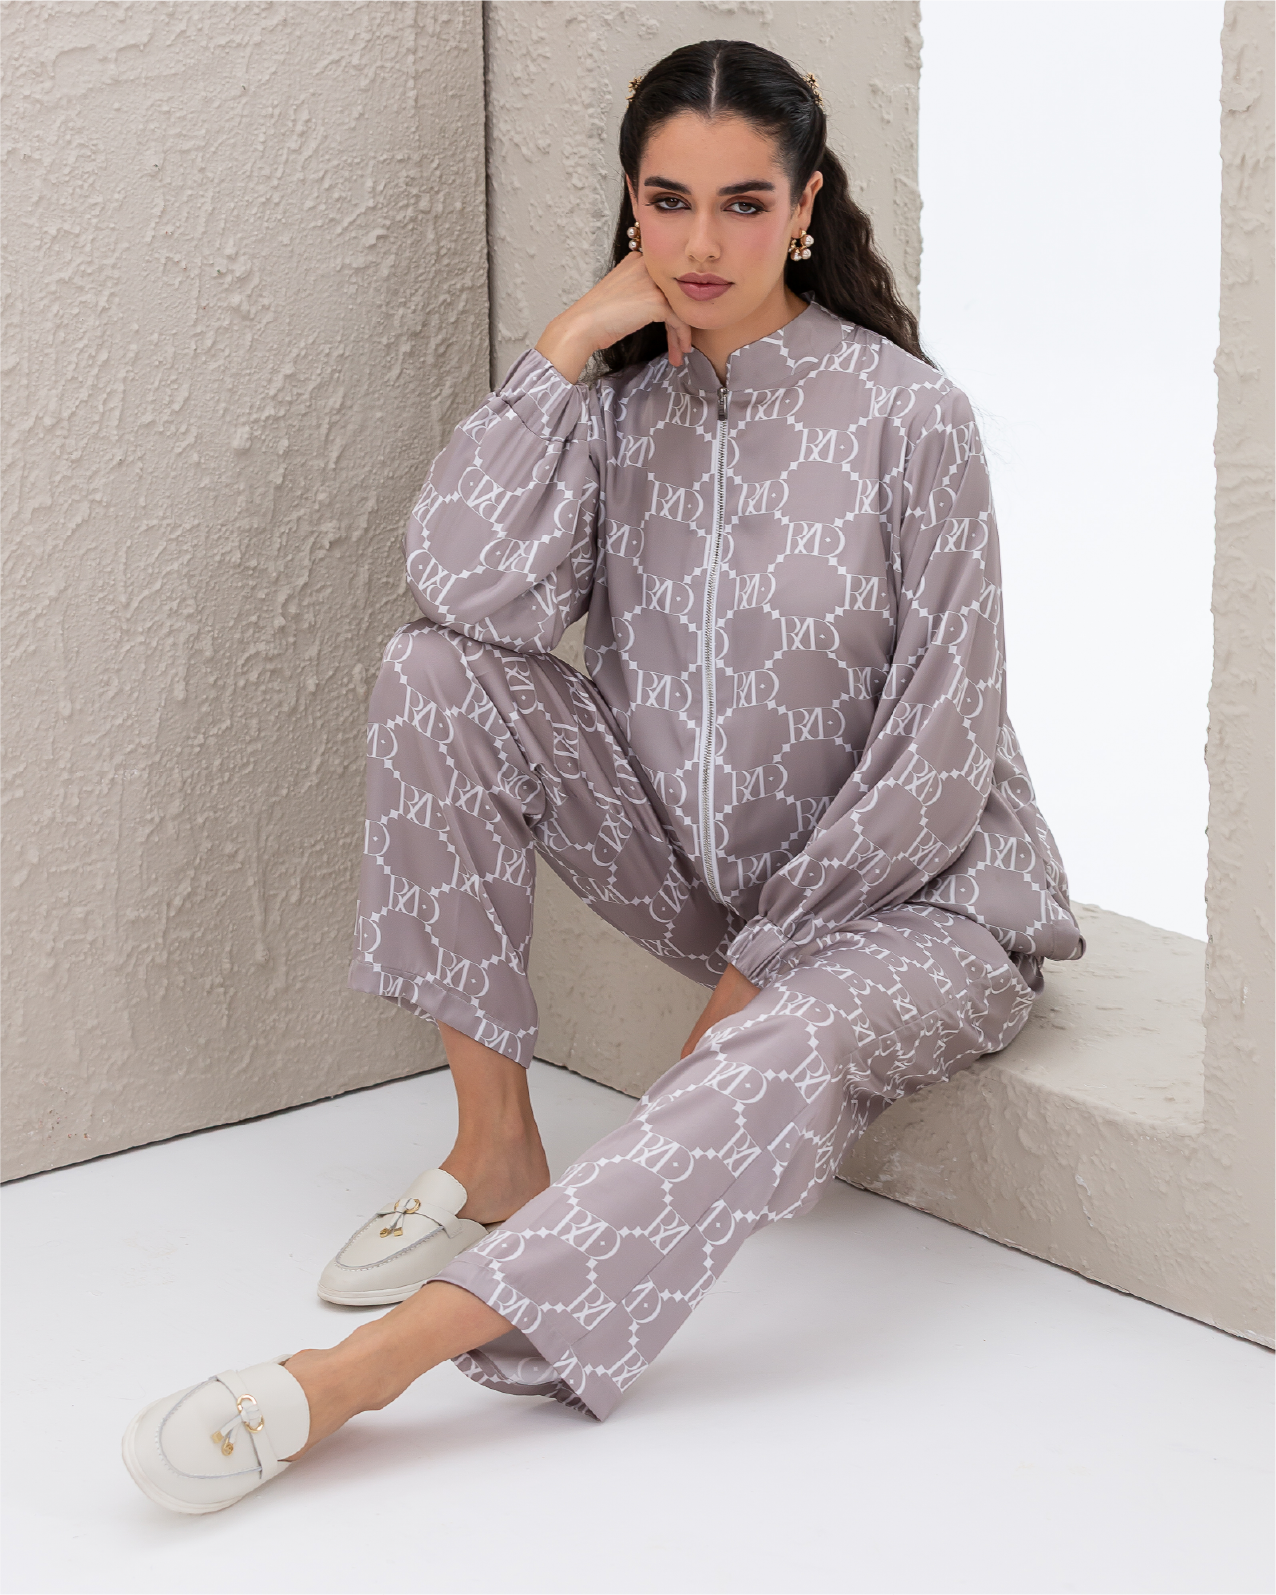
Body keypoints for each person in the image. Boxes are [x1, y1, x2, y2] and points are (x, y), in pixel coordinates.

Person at [122, 37, 1083, 1515]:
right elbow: (464, 592)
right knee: (434, 671)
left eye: (744, 204)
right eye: (667, 200)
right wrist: (566, 347)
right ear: (631, 204)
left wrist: (760, 971)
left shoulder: (909, 418)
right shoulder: (620, 411)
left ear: (806, 207)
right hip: (710, 876)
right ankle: (493, 1148)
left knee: (793, 1038)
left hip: (926, 905)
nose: (701, 245)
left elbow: (941, 750)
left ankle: (360, 1374)